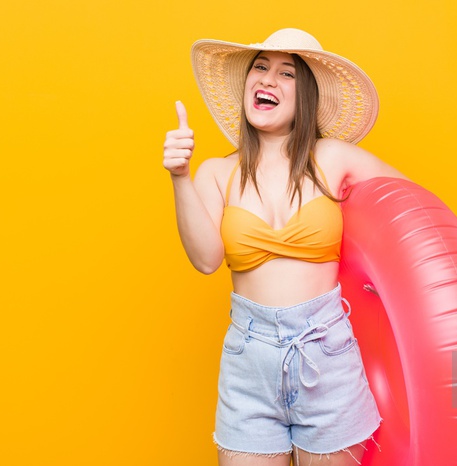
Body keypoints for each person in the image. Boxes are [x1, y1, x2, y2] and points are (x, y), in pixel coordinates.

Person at [163, 28, 408, 466]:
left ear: (306, 95)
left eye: (286, 73)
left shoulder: (334, 158)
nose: (267, 80)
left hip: (326, 353)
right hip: (248, 361)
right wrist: (180, 176)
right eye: (260, 68)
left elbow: (416, 215)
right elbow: (205, 260)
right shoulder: (216, 173)